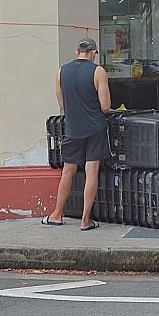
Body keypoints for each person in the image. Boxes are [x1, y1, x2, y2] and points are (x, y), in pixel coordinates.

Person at [46, 38, 112, 230]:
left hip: (73, 128)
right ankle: (85, 220)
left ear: (77, 52)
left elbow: (62, 105)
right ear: (94, 52)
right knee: (92, 171)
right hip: (95, 128)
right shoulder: (98, 71)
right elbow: (105, 106)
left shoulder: (61, 72)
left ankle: (57, 214)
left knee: (68, 171)